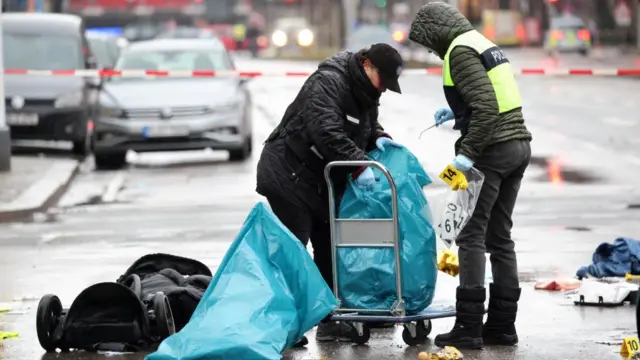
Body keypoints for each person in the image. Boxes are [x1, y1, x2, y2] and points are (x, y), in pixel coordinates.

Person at [256, 43, 404, 342]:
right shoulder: (329, 81)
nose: (384, 90)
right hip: (289, 172)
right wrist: (360, 165)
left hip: (319, 179)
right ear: (368, 66)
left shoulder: (366, 91)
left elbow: (364, 124)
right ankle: (284, 324)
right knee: (294, 248)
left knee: (329, 246)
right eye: (383, 81)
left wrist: (378, 135)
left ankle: (329, 319)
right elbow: (326, 131)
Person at [408, 2, 532, 350]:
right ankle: (503, 327)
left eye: (428, 44)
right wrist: (458, 113)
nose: (432, 52)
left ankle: (469, 327)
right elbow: (493, 98)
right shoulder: (481, 42)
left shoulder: (459, 52)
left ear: (436, 32)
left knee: (470, 235)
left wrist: (467, 154)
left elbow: (487, 108)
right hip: (518, 146)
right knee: (500, 237)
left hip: (492, 150)